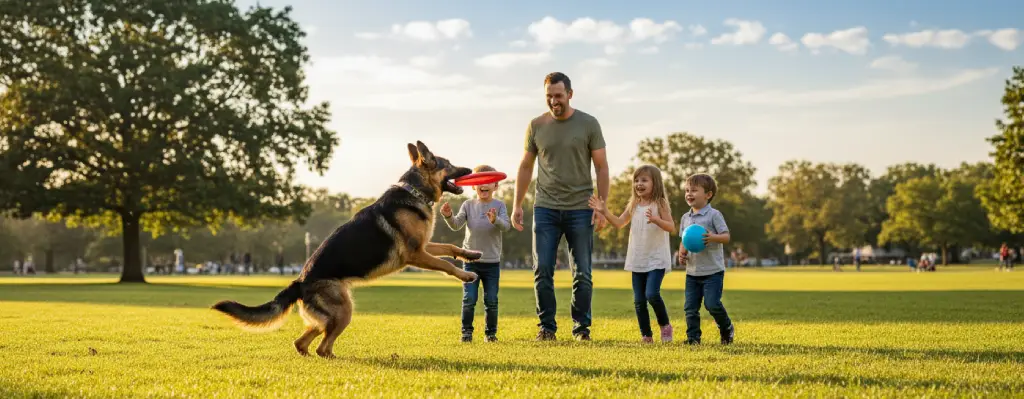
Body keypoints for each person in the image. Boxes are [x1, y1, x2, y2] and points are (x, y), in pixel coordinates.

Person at [511, 72, 610, 342]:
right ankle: (546, 327)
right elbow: (525, 166)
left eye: (558, 95)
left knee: (583, 273)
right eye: (549, 96)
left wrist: (601, 206)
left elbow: (601, 167)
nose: (554, 101)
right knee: (542, 268)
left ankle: (581, 329)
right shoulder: (535, 126)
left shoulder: (588, 123)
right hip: (545, 207)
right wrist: (517, 204)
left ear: (570, 94)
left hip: (581, 208)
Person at [589, 165, 675, 343]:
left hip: (657, 258)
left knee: (652, 294)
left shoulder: (660, 203)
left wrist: (656, 220)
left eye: (644, 180)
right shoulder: (634, 204)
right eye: (636, 180)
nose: (639, 184)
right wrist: (604, 211)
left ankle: (665, 326)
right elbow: (620, 223)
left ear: (655, 182)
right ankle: (646, 336)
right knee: (639, 300)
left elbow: (671, 227)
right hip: (638, 258)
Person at [441, 165, 511, 343]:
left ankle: (490, 334)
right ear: (473, 185)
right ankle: (466, 333)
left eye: (488, 182)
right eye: (479, 182)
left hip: (492, 263)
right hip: (470, 261)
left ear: (495, 186)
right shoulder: (468, 205)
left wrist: (495, 220)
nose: (483, 185)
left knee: (491, 300)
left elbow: (507, 226)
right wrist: (448, 216)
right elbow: (456, 225)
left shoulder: (499, 205)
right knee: (469, 298)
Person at [676, 173, 735, 345]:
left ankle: (726, 327)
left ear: (708, 195)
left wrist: (712, 237)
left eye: (694, 190)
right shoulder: (686, 218)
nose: (689, 194)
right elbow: (684, 239)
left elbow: (726, 237)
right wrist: (682, 252)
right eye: (687, 190)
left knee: (712, 304)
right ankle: (693, 338)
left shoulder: (714, 215)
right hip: (692, 271)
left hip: (712, 271)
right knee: (690, 308)